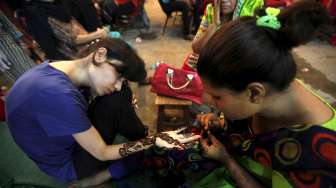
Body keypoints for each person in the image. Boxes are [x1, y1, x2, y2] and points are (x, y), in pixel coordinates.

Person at [5, 38, 200, 185]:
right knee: (120, 105)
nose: (116, 85)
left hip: (56, 141)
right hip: (67, 163)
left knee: (119, 97)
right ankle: (108, 171)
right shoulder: (57, 93)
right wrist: (153, 140)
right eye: (118, 76)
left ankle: (144, 139)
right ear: (99, 55)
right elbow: (102, 153)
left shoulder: (57, 68)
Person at [196, 1, 336, 187]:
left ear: (254, 92)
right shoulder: (272, 86)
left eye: (217, 97)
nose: (206, 101)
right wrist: (221, 123)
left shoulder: (318, 153)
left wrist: (227, 160)